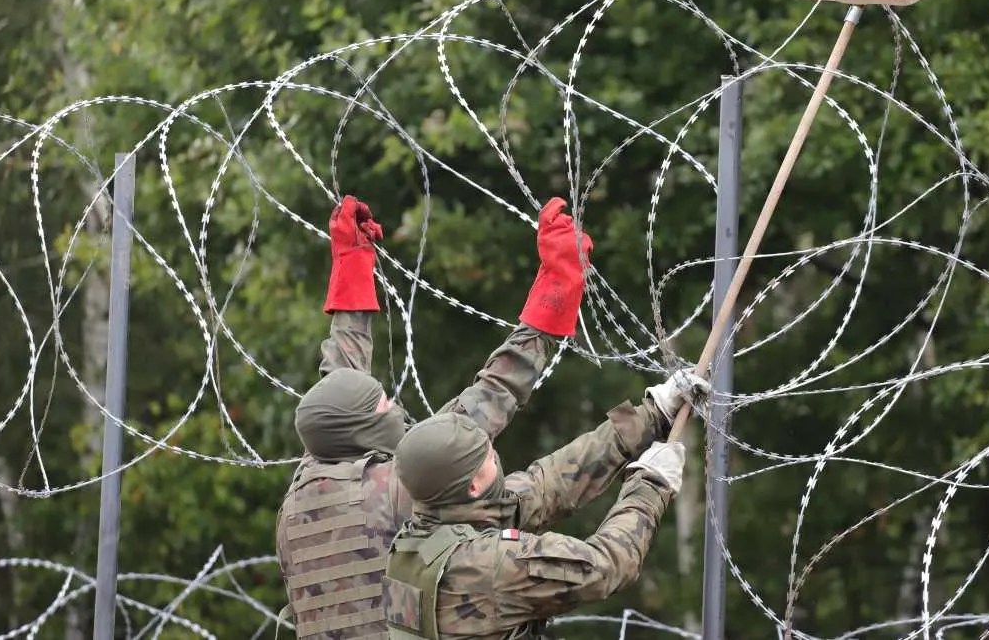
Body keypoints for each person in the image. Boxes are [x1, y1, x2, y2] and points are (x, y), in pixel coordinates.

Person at [276, 194, 594, 638]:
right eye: (386, 406)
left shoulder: (305, 489)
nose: (397, 409)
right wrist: (557, 284)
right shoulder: (400, 486)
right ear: (364, 427)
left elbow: (339, 389)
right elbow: (493, 395)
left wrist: (352, 264)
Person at [381, 356, 710, 639]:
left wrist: (652, 413)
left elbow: (551, 481)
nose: (495, 455)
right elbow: (606, 566)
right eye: (486, 457)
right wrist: (650, 483)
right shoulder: (489, 566)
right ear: (471, 487)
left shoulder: (423, 538)